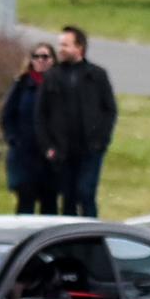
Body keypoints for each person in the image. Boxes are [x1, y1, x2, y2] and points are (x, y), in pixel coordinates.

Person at [37, 26, 116, 219]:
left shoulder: (96, 76)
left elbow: (109, 109)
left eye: (65, 45)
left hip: (90, 149)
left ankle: (93, 239)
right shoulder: (52, 76)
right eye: (60, 44)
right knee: (68, 199)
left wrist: (101, 140)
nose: (61, 49)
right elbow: (41, 113)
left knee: (85, 193)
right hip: (63, 151)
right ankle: (70, 245)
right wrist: (48, 145)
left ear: (79, 47)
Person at [1, 43, 58, 215]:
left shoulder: (58, 85)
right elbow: (7, 115)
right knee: (26, 200)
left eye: (45, 56)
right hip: (24, 154)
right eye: (37, 56)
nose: (41, 60)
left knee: (49, 203)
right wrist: (13, 139)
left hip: (50, 155)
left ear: (53, 60)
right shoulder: (21, 84)